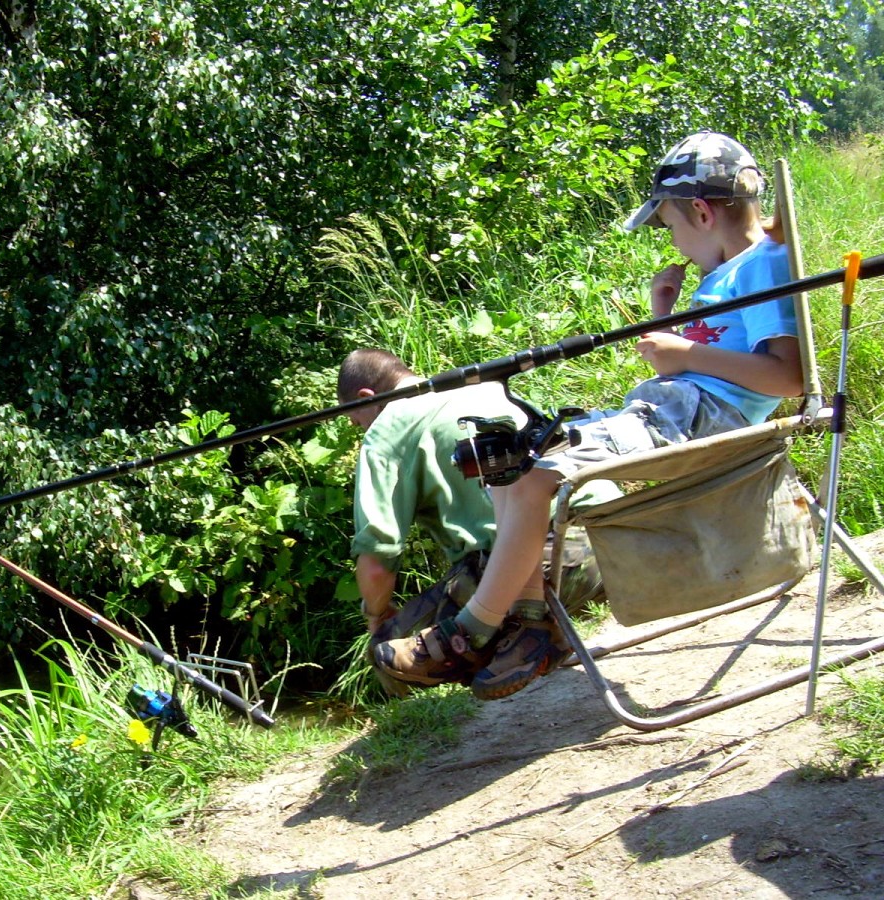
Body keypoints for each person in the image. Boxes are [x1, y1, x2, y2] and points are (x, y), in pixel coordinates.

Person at [374, 131, 804, 700]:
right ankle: (530, 625)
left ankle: (471, 630)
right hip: (675, 411)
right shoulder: (724, 274)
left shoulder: (764, 266)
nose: (671, 239)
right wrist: (664, 316)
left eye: (670, 225)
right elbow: (701, 362)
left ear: (700, 211)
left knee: (536, 477)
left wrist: (687, 353)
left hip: (696, 421)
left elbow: (788, 377)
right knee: (506, 458)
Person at [338, 348, 619, 694]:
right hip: (615, 542)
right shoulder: (483, 386)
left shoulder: (386, 429)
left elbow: (377, 564)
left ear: (366, 397)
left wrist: (375, 614)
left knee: (387, 645)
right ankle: (535, 639)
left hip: (555, 564)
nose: (361, 428)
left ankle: (452, 726)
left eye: (357, 420)